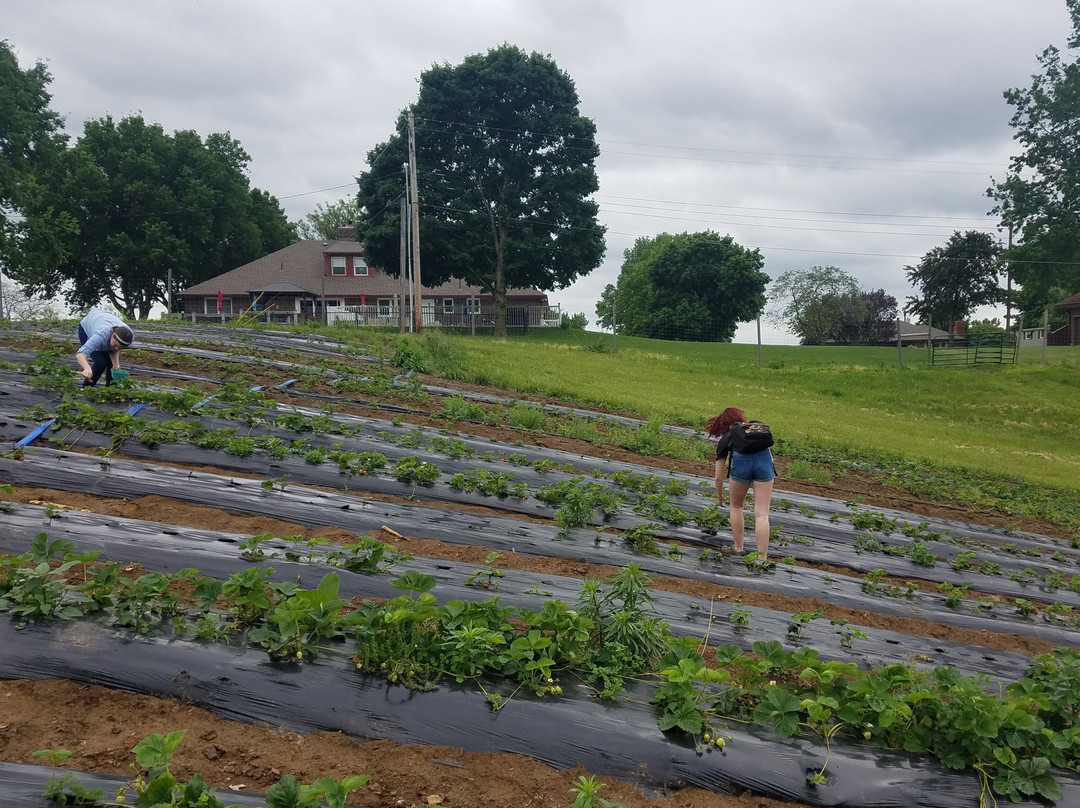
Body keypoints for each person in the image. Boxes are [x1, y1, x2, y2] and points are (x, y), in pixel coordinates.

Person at [705, 406, 775, 558]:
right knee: (762, 514)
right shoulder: (756, 429)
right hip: (764, 463)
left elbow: (718, 476)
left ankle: (738, 548)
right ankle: (762, 558)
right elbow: (770, 456)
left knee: (736, 507)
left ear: (724, 425)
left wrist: (719, 496)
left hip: (741, 464)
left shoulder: (727, 438)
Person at [75, 307, 134, 387]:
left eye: (120, 347)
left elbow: (113, 349)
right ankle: (87, 388)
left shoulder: (128, 335)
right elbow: (80, 354)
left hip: (104, 318)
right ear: (113, 335)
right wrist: (87, 368)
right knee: (100, 363)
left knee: (112, 365)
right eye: (116, 345)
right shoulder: (99, 336)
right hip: (87, 326)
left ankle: (110, 389)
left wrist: (116, 364)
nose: (116, 349)